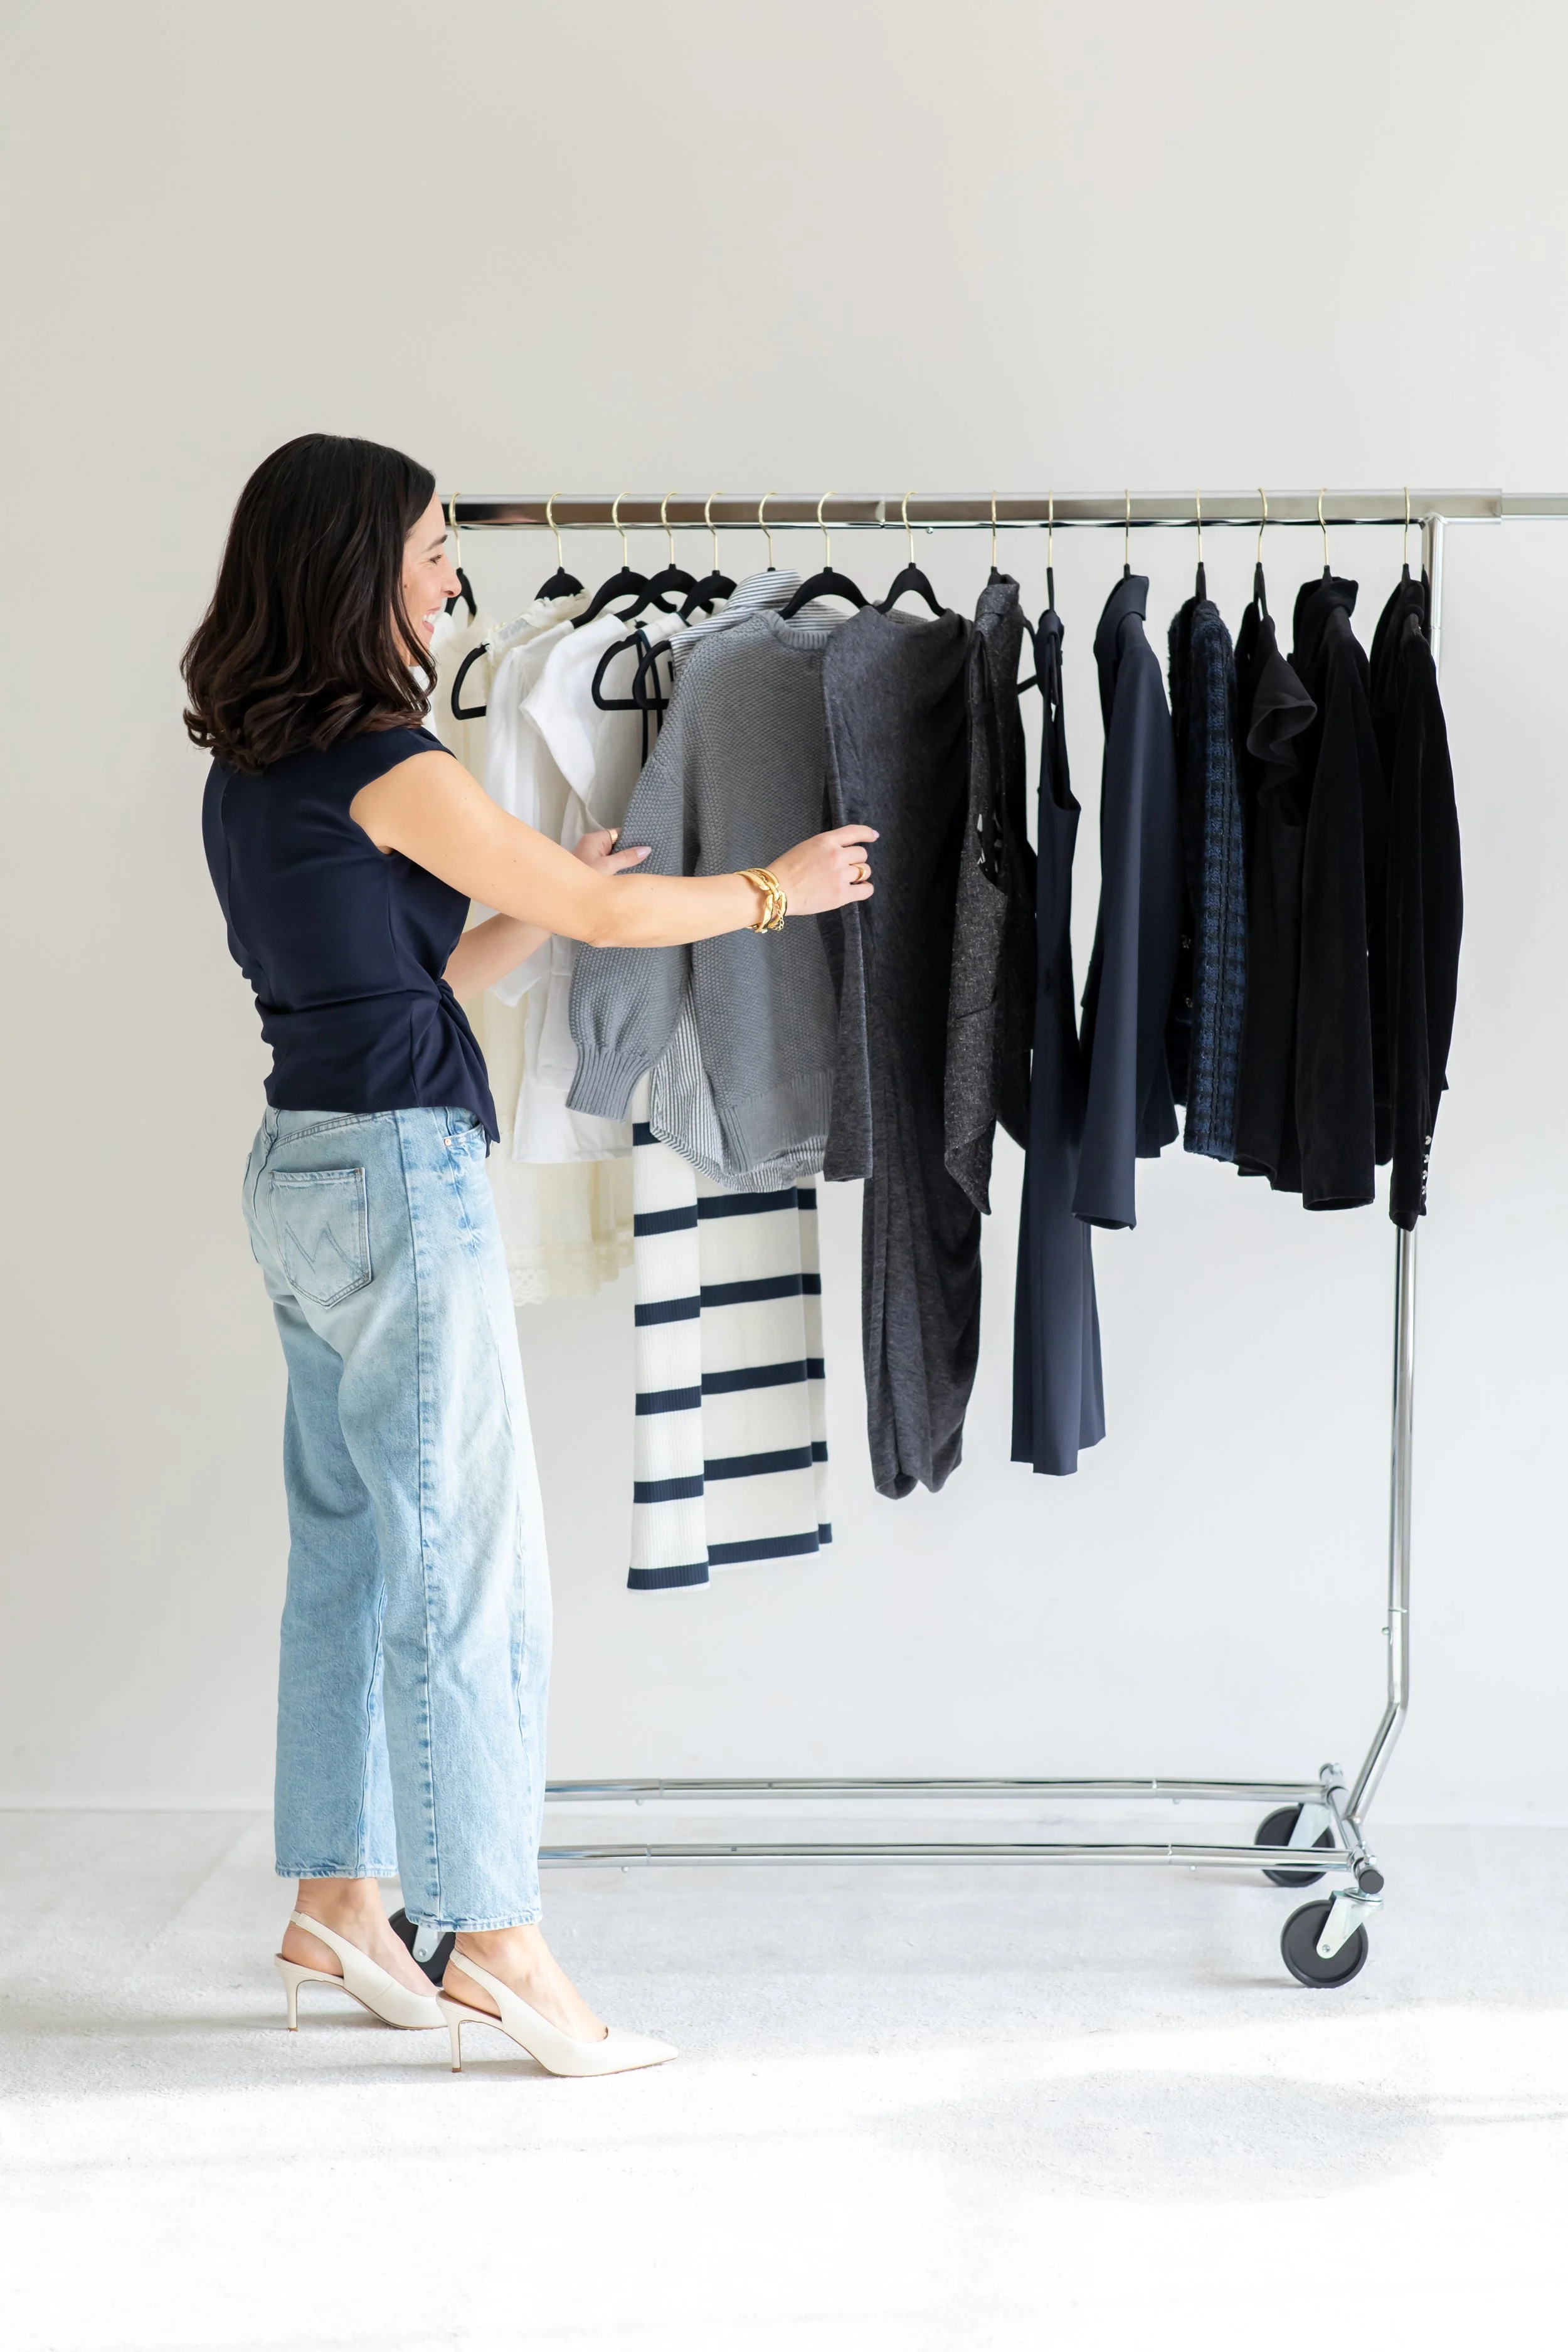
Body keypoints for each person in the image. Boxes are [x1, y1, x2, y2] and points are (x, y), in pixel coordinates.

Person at [185, 435, 876, 2077]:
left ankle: (338, 1900)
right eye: (430, 548)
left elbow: (419, 979)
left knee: (352, 1559)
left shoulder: (255, 768)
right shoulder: (387, 756)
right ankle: (490, 1933)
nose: (449, 575)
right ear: (357, 567)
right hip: (400, 1187)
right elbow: (622, 931)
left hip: (301, 1173)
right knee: (470, 1574)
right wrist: (771, 893)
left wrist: (565, 893)